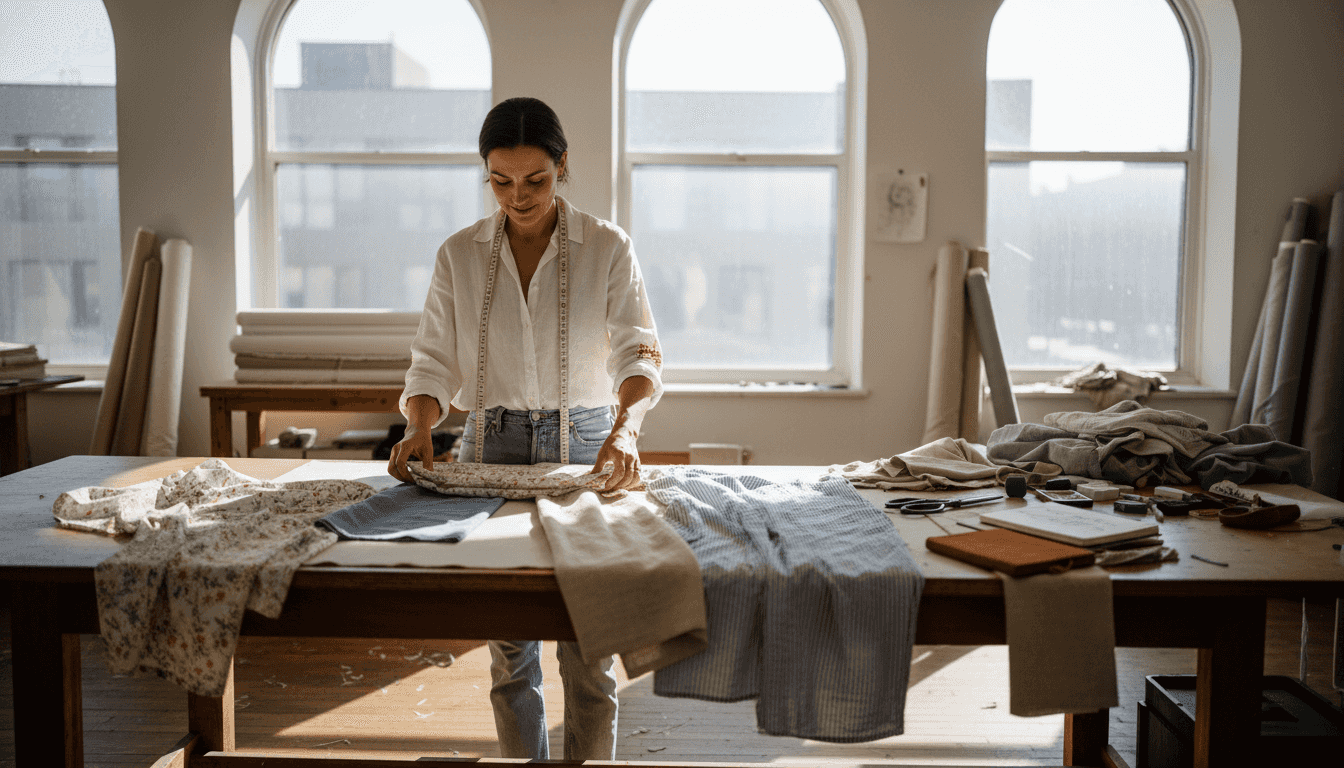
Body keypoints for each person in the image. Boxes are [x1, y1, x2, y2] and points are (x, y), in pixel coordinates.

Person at [387, 96, 663, 760]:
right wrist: (420, 426)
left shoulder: (607, 245)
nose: (519, 196)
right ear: (486, 175)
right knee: (511, 657)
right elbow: (432, 362)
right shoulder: (459, 254)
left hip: (587, 440)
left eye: (535, 180)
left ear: (562, 166)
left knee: (589, 648)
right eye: (501, 181)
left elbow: (638, 351)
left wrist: (625, 428)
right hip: (492, 444)